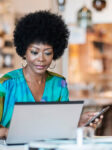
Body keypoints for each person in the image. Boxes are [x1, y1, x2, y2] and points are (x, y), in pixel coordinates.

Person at [0, 10, 103, 138]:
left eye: (47, 53)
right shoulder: (6, 84)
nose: (41, 59)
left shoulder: (59, 84)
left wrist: (78, 122)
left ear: (55, 53)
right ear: (24, 52)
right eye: (34, 52)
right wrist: (6, 132)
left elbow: (60, 125)